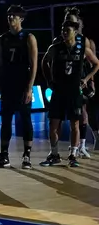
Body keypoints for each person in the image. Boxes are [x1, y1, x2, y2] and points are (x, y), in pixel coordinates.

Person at [40, 21, 99, 168]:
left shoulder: (82, 49)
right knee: (53, 124)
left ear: (75, 32)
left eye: (67, 30)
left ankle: (73, 154)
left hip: (74, 91)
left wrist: (86, 79)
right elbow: (44, 62)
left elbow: (96, 64)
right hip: (58, 90)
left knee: (75, 125)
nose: (64, 33)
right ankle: (54, 154)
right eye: (62, 30)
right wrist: (49, 81)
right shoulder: (55, 47)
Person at [0, 5, 38, 169]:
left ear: (21, 19)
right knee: (5, 121)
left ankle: (27, 156)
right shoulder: (1, 39)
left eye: (14, 16)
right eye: (9, 15)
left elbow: (34, 65)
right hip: (7, 85)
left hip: (22, 84)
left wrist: (30, 88)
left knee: (25, 120)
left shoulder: (28, 37)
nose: (10, 18)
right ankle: (4, 156)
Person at [61, 8, 97, 158]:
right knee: (68, 115)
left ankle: (81, 145)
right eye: (67, 19)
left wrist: (90, 81)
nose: (70, 22)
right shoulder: (61, 39)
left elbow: (91, 63)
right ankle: (72, 146)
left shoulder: (85, 41)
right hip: (65, 82)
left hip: (80, 82)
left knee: (82, 112)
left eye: (72, 20)